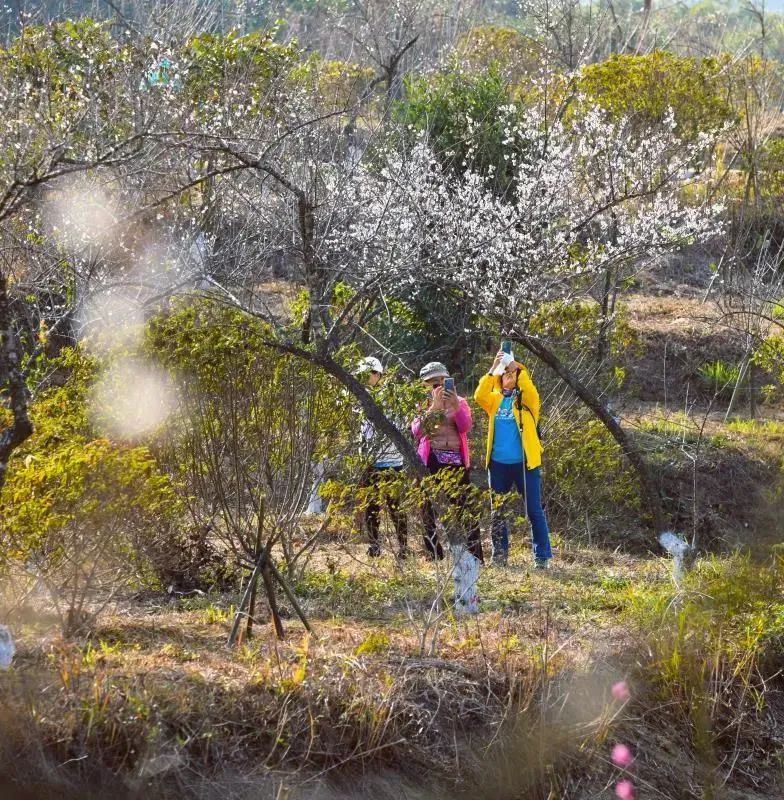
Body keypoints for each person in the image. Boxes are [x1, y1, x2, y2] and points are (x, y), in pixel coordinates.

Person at [474, 348, 552, 569]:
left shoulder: (526, 401)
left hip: (525, 464)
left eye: (511, 374)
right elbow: (479, 395)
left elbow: (530, 390)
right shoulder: (494, 400)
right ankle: (500, 555)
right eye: (504, 374)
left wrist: (516, 367)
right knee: (497, 510)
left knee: (533, 510)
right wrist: (493, 369)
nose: (507, 376)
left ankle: (542, 556)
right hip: (498, 465)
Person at [411, 362, 483, 562]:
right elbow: (416, 432)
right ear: (424, 385)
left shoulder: (459, 401)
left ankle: (475, 555)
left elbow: (466, 426)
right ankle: (433, 554)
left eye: (442, 381)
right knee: (427, 509)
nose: (438, 386)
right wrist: (433, 408)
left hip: (455, 461)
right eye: (432, 383)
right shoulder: (421, 404)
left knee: (465, 508)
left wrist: (456, 407)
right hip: (430, 460)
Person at [357, 357, 409, 558]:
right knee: (371, 507)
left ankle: (403, 547)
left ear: (378, 375)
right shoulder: (360, 397)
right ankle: (374, 545)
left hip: (392, 461)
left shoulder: (392, 397)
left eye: (369, 374)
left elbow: (401, 424)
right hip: (369, 461)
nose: (365, 378)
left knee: (395, 506)